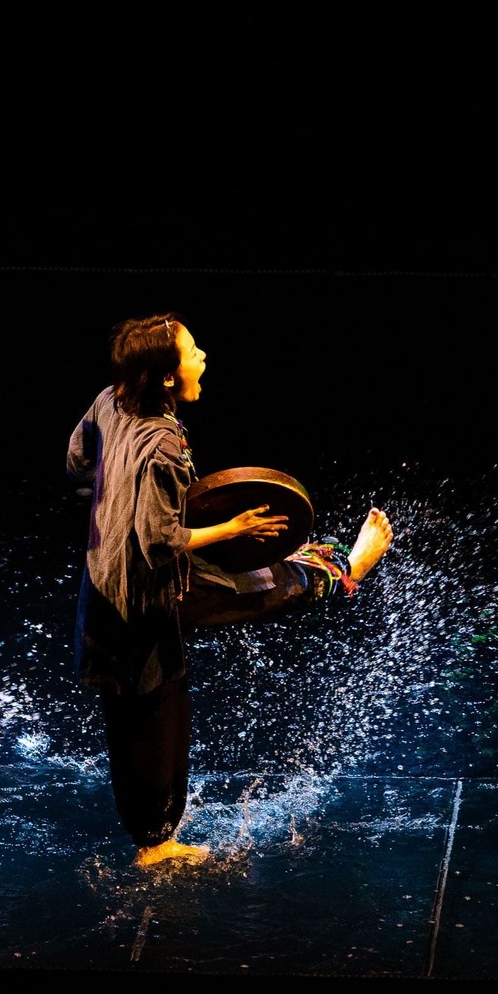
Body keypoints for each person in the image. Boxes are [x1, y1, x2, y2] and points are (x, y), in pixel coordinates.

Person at [66, 313, 394, 868]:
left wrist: (114, 505)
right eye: (193, 352)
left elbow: (77, 460)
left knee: (134, 712)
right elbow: (159, 542)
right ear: (166, 376)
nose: (203, 358)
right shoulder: (163, 446)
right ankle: (346, 568)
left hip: (102, 588)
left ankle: (152, 838)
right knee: (262, 586)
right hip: (150, 596)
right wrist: (233, 528)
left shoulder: (111, 400)